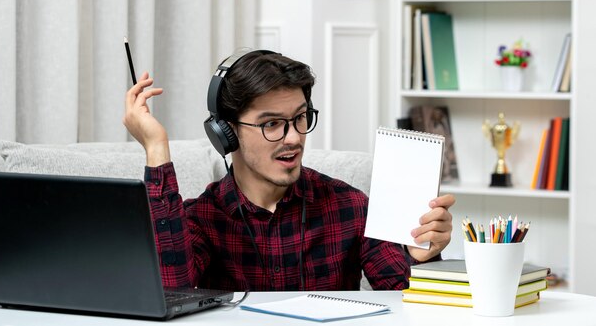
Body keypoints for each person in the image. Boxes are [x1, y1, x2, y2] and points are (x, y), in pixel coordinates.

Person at [123, 49, 455, 291]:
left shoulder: (350, 206)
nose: (294, 138)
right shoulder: (200, 219)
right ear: (225, 132)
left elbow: (404, 302)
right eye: (272, 124)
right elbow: (171, 291)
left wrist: (418, 253)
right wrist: (156, 148)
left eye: (300, 118)